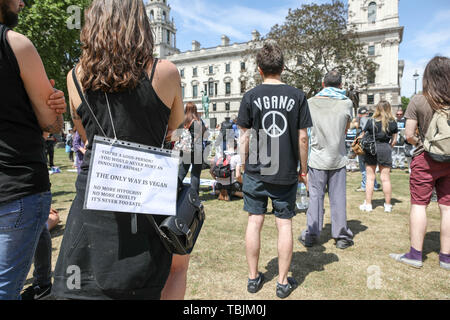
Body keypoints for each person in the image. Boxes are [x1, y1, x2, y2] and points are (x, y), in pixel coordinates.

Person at [51, 0, 184, 300]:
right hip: (149, 195)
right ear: (140, 23)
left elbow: (84, 134)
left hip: (96, 194)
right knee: (169, 273)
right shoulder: (165, 71)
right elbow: (173, 125)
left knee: (88, 287)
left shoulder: (76, 77)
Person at [0, 0, 67, 300]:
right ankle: (43, 285)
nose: (23, 3)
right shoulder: (17, 45)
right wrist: (58, 109)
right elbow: (52, 124)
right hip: (19, 187)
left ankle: (42, 283)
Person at [237, 41, 312, 299]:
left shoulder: (250, 96)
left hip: (256, 170)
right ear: (283, 67)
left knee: (254, 222)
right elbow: (303, 138)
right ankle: (282, 283)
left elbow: (244, 138)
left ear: (259, 69)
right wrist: (304, 169)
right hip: (286, 171)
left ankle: (252, 278)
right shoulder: (298, 96)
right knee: (284, 225)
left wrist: (240, 164)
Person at [390, 56, 450, 271]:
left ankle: (415, 254)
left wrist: (423, 142)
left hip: (425, 158)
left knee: (419, 204)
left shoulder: (419, 100)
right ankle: (446, 257)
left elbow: (408, 135)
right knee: (447, 207)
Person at [299, 70, 354, 250]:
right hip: (337, 156)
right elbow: (346, 129)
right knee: (338, 198)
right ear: (340, 85)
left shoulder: (310, 103)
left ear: (323, 84)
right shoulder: (347, 103)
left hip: (317, 157)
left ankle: (312, 233)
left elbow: (305, 133)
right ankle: (341, 236)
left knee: (315, 197)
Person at [359, 101, 398, 213]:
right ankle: (388, 205)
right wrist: (388, 147)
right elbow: (394, 140)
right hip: (385, 148)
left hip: (371, 149)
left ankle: (368, 204)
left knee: (370, 178)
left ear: (377, 109)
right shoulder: (393, 122)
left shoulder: (371, 121)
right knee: (385, 179)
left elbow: (362, 135)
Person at [177, 102, 206, 194]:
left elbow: (178, 134)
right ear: (195, 109)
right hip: (197, 150)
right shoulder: (199, 121)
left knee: (182, 171)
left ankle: (174, 190)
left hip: (186, 149)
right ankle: (194, 196)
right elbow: (204, 134)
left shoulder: (183, 121)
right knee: (195, 174)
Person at [356, 107, 381, 192]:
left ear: (359, 114)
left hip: (364, 145)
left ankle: (364, 186)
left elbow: (362, 133)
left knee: (363, 167)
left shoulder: (363, 120)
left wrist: (356, 141)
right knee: (371, 167)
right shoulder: (373, 120)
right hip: (372, 146)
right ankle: (374, 185)